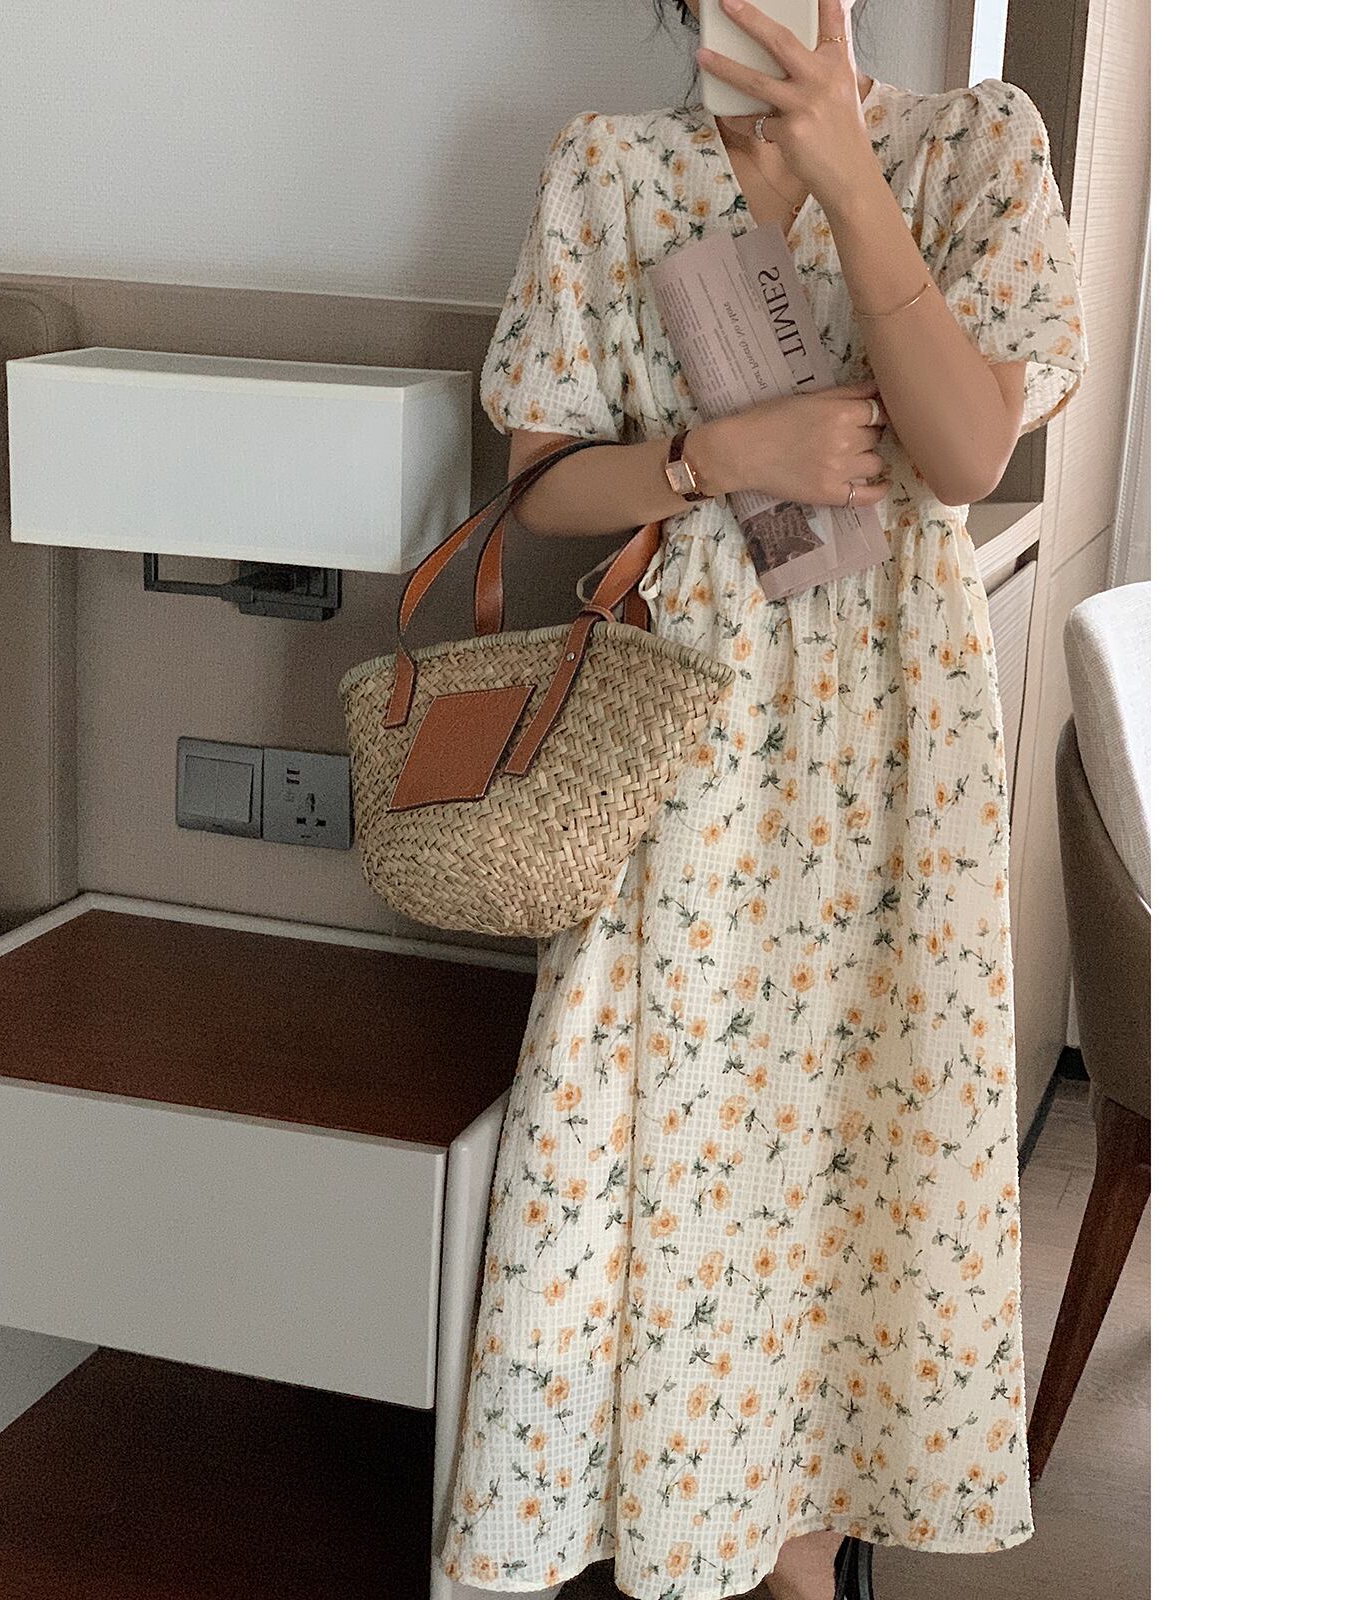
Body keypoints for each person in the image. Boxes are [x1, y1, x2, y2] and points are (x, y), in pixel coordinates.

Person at [441, 3, 1087, 1596]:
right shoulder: (608, 172)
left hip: (897, 753)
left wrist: (852, 180)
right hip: (682, 737)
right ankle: (683, 1527)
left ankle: (817, 1545)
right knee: (650, 1133)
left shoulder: (975, 149)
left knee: (868, 1132)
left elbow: (966, 449)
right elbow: (538, 489)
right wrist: (720, 456)